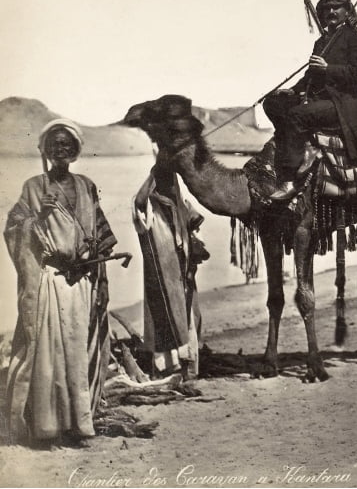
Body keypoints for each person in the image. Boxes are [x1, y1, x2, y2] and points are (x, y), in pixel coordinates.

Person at [4, 121, 117, 445]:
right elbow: (14, 228)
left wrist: (102, 283)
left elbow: (99, 239)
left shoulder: (86, 186)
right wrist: (38, 217)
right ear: (45, 150)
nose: (61, 149)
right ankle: (47, 428)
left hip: (81, 281)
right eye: (55, 144)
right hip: (50, 281)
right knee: (47, 355)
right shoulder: (33, 186)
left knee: (77, 352)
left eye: (67, 144)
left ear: (77, 150)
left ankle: (78, 425)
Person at [263, 0, 357, 200]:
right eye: (327, 9)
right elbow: (310, 76)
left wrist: (328, 69)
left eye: (336, 7)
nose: (331, 12)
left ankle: (288, 181)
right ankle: (301, 144)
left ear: (346, 11)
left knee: (297, 115)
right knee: (272, 103)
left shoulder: (355, 39)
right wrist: (292, 90)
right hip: (320, 100)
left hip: (344, 105)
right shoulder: (321, 42)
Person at [133, 164, 209, 378]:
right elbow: (138, 202)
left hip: (184, 274)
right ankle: (167, 370)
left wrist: (193, 258)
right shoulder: (149, 206)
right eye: (162, 181)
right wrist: (154, 172)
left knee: (189, 317)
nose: (169, 186)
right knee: (164, 316)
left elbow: (197, 234)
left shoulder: (183, 206)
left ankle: (188, 369)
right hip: (160, 277)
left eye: (171, 181)